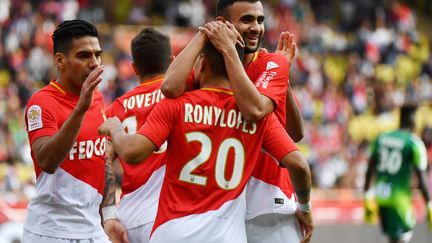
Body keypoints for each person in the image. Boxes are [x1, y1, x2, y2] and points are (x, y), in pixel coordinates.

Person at [98, 41, 313, 243]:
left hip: (172, 232)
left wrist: (116, 129)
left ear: (202, 63)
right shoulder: (258, 118)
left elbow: (131, 152)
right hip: (225, 236)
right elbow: (300, 165)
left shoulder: (175, 105)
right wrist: (304, 208)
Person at [161, 1, 308, 242]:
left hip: (267, 200)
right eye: (247, 20)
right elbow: (169, 87)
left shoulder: (271, 62)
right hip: (223, 207)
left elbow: (267, 118)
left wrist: (281, 80)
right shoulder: (210, 65)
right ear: (223, 24)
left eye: (260, 20)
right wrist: (204, 34)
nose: (256, 28)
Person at [23, 19, 110, 242]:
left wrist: (110, 214)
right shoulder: (41, 102)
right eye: (84, 55)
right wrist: (80, 109)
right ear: (60, 61)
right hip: (51, 231)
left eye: (97, 55)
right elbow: (47, 160)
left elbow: (103, 158)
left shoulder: (97, 99)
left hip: (92, 230)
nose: (94, 63)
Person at [101, 27, 172, 243]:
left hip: (128, 217)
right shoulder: (181, 96)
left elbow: (102, 160)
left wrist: (109, 215)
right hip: (168, 213)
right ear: (172, 60)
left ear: (134, 68)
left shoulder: (116, 108)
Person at [364, 104, 432, 243]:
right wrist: (429, 203)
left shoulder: (381, 138)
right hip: (399, 200)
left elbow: (370, 169)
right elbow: (422, 179)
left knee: (390, 238)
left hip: (381, 197)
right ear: (412, 119)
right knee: (401, 237)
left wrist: (367, 194)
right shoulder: (413, 143)